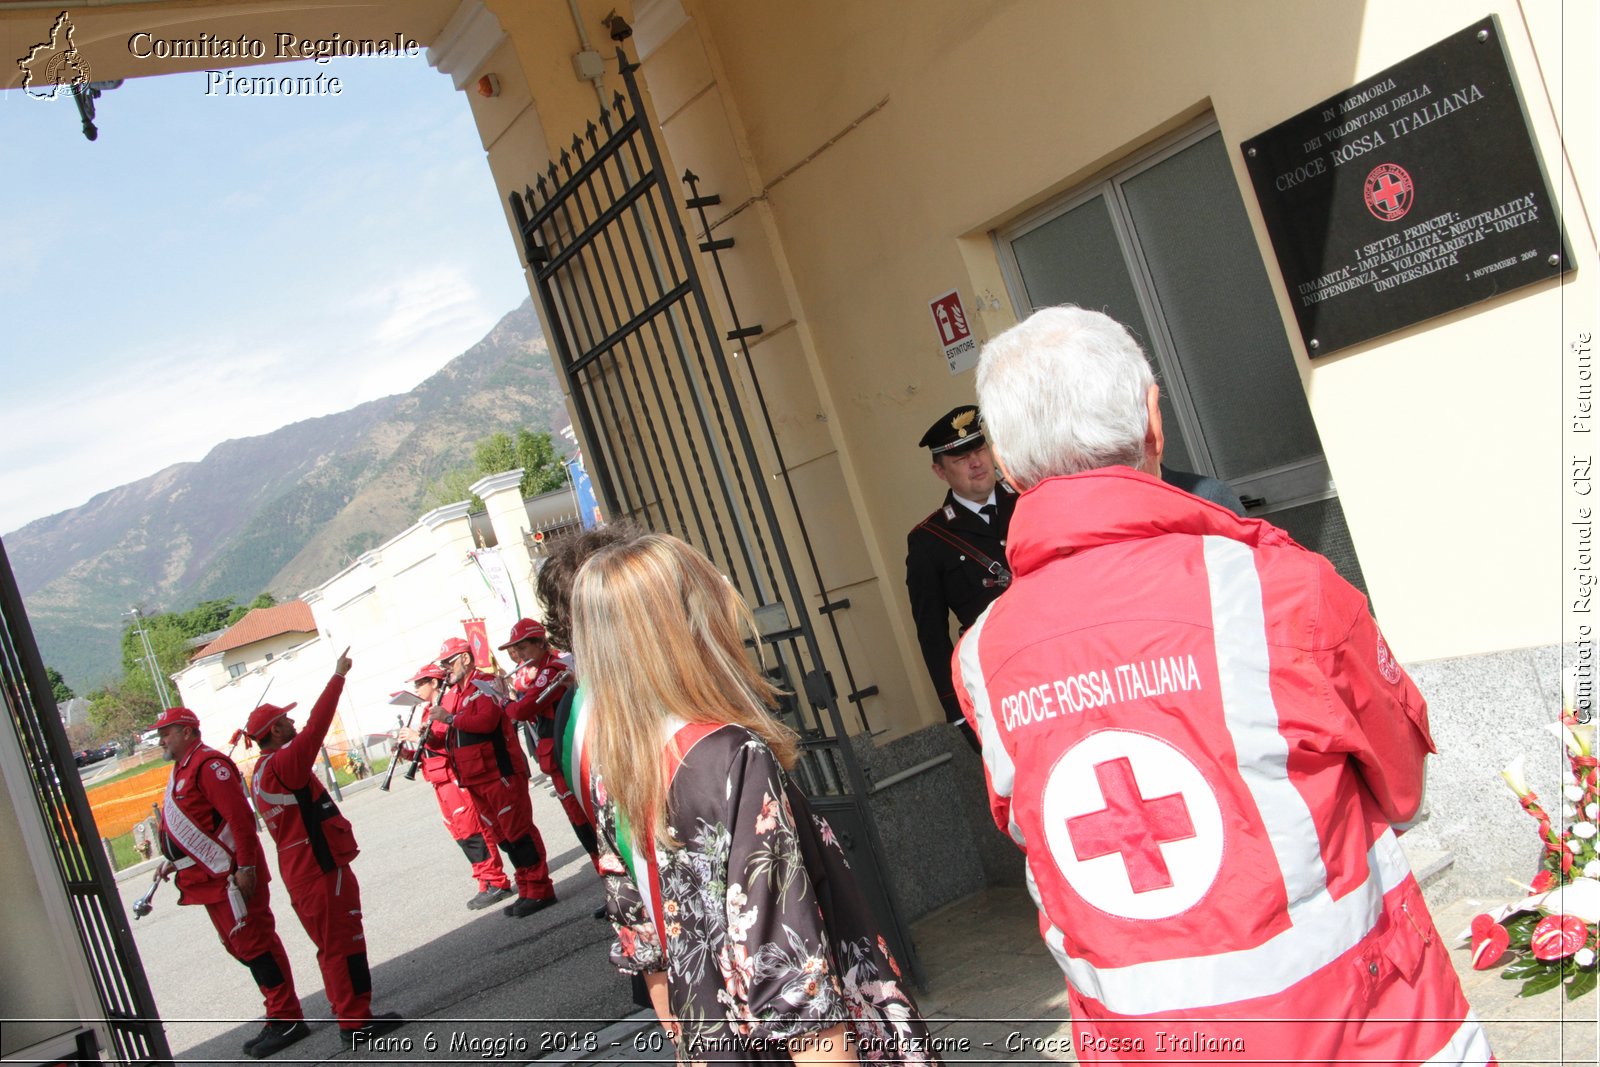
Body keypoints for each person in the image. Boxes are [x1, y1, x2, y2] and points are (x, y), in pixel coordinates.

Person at [953, 306, 1490, 1065]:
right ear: (1152, 419)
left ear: (1005, 465)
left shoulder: (982, 653)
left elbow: (1029, 828)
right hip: (1366, 1033)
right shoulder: (1280, 588)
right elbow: (1402, 787)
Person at [569, 532, 940, 1064]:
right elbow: (795, 988)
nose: (726, 597)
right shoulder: (730, 755)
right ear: (682, 627)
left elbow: (646, 944)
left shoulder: (617, 762)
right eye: (707, 591)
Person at [243, 649, 402, 1046]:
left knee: (331, 946)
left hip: (302, 869)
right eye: (285, 719)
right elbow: (316, 728)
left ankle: (350, 1015)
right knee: (343, 944)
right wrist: (338, 677)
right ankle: (355, 1021)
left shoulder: (262, 769)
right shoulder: (283, 764)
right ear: (275, 731)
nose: (293, 722)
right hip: (318, 868)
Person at [152, 705, 307, 1059]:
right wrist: (172, 860)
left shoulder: (209, 765)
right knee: (241, 946)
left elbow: (239, 820)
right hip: (207, 877)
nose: (161, 739)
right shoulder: (184, 767)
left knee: (256, 944)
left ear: (188, 732)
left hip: (231, 876)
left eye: (167, 732)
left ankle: (288, 1016)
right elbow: (198, 824)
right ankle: (278, 1012)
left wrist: (247, 868)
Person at [904, 404, 1016, 750]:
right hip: (998, 681)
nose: (976, 462)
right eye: (960, 458)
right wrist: (958, 712)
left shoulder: (1030, 500)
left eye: (979, 449)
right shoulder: (930, 541)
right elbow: (933, 637)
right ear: (940, 471)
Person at [434, 636, 558, 916]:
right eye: (442, 665)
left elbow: (487, 722)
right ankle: (525, 886)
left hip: (498, 773)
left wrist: (450, 719)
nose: (445, 669)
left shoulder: (486, 683)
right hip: (476, 777)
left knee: (519, 832)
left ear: (465, 658)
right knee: (503, 837)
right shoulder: (458, 692)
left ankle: (540, 888)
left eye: (449, 662)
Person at [400, 663, 513, 910]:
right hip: (437, 779)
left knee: (474, 830)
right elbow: (430, 747)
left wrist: (419, 738)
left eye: (420, 683)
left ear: (434, 683)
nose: (417, 688)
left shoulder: (448, 703)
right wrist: (409, 754)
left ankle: (496, 881)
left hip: (452, 776)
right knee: (460, 834)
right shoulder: (426, 710)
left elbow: (447, 743)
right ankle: (483, 879)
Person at [500, 617, 599, 868]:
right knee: (578, 818)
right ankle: (604, 875)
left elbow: (522, 710)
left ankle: (610, 876)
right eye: (517, 649)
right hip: (554, 754)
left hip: (562, 752)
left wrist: (504, 700)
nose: (520, 655)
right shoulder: (542, 671)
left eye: (523, 647)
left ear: (540, 643)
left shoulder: (551, 670)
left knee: (584, 817)